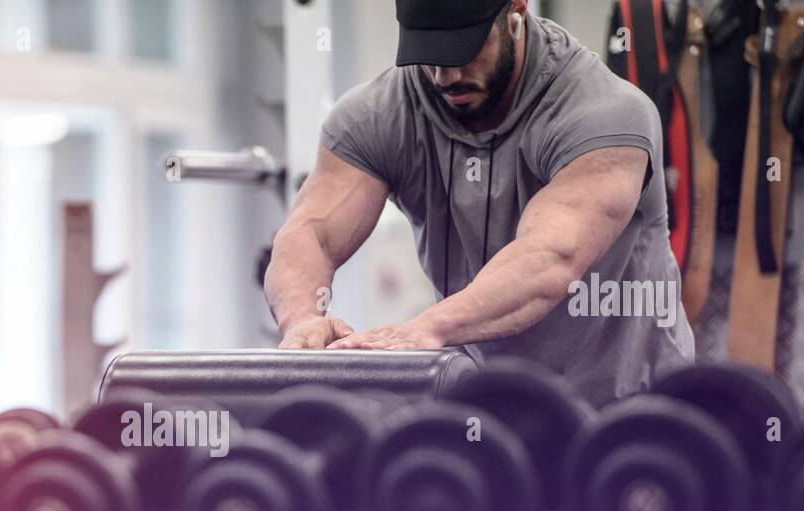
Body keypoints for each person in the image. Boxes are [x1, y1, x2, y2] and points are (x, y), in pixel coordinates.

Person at [265, 0, 695, 406]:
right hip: (485, 411)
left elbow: (550, 257)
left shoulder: (605, 113)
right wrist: (302, 321)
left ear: (516, 10)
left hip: (630, 411)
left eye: (465, 49)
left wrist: (428, 328)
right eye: (429, 52)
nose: (445, 76)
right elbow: (312, 232)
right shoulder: (376, 116)